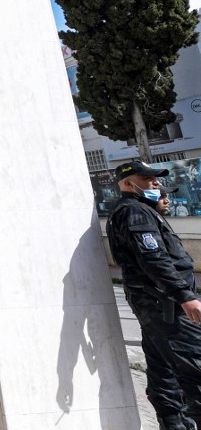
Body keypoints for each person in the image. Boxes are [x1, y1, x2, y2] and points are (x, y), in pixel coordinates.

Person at [107, 161, 201, 430]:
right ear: (127, 183)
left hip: (158, 305)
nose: (156, 184)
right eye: (148, 179)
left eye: (156, 179)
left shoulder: (138, 211)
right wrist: (186, 296)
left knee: (164, 374)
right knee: (195, 369)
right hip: (165, 305)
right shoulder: (136, 212)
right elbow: (154, 260)